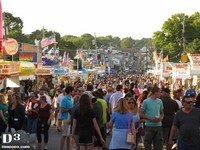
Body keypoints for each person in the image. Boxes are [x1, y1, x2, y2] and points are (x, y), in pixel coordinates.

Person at [60, 85, 74, 150]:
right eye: (73, 91)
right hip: (65, 118)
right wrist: (69, 109)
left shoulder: (71, 98)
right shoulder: (64, 99)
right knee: (64, 135)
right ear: (70, 91)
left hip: (70, 118)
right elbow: (62, 110)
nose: (73, 92)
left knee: (68, 136)